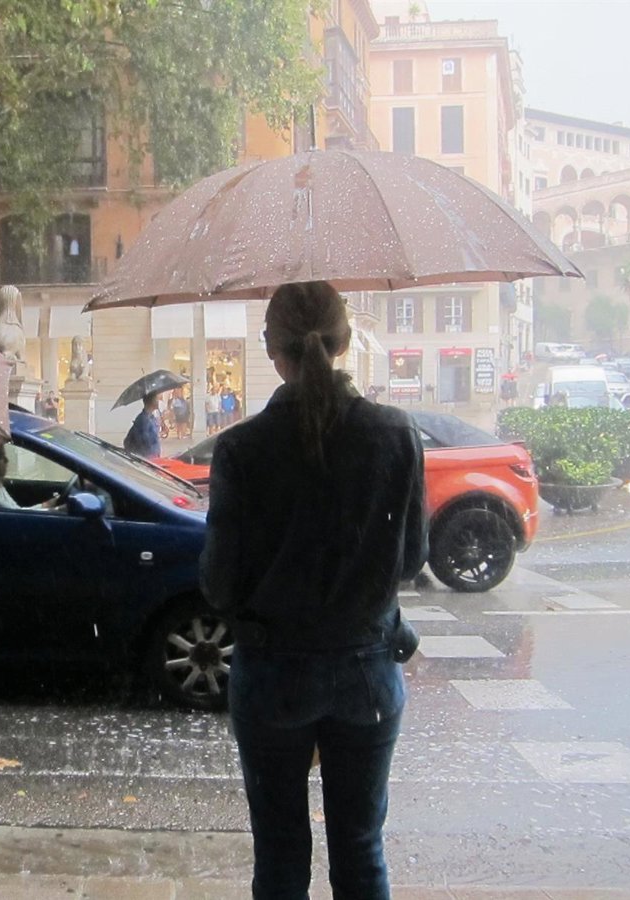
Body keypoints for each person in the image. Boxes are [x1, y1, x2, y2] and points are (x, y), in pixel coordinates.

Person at [201, 281, 427, 900]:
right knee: (361, 850)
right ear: (346, 341)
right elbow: (411, 557)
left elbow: (219, 585)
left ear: (271, 348)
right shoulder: (396, 434)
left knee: (279, 857)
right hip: (368, 673)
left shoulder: (241, 449)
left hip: (272, 675)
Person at [0, 444, 61, 509]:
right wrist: (47, 506)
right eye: (0, 457)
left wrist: (45, 505)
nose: (6, 460)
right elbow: (16, 515)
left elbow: (17, 511)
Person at [122, 391, 162, 458]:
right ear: (152, 402)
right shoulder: (143, 420)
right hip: (147, 457)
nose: (158, 402)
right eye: (157, 399)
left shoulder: (151, 417)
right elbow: (146, 442)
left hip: (153, 455)